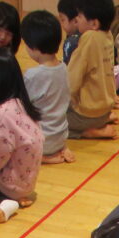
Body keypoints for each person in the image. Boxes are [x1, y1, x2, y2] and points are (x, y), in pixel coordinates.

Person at [0, 49, 43, 224]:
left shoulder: (2, 114)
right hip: (25, 182)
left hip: (8, 184)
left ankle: (2, 203)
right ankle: (15, 198)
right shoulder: (20, 103)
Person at [20, 10, 74, 165]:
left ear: (33, 47)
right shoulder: (64, 68)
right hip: (60, 137)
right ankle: (56, 150)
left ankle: (43, 157)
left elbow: (20, 106)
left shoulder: (33, 75)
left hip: (41, 142)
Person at [67, 0, 119, 140]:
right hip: (104, 111)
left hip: (86, 114)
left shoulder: (89, 38)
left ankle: (86, 132)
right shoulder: (107, 35)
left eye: (80, 16)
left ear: (94, 23)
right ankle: (100, 122)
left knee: (46, 123)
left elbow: (71, 80)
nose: (76, 19)